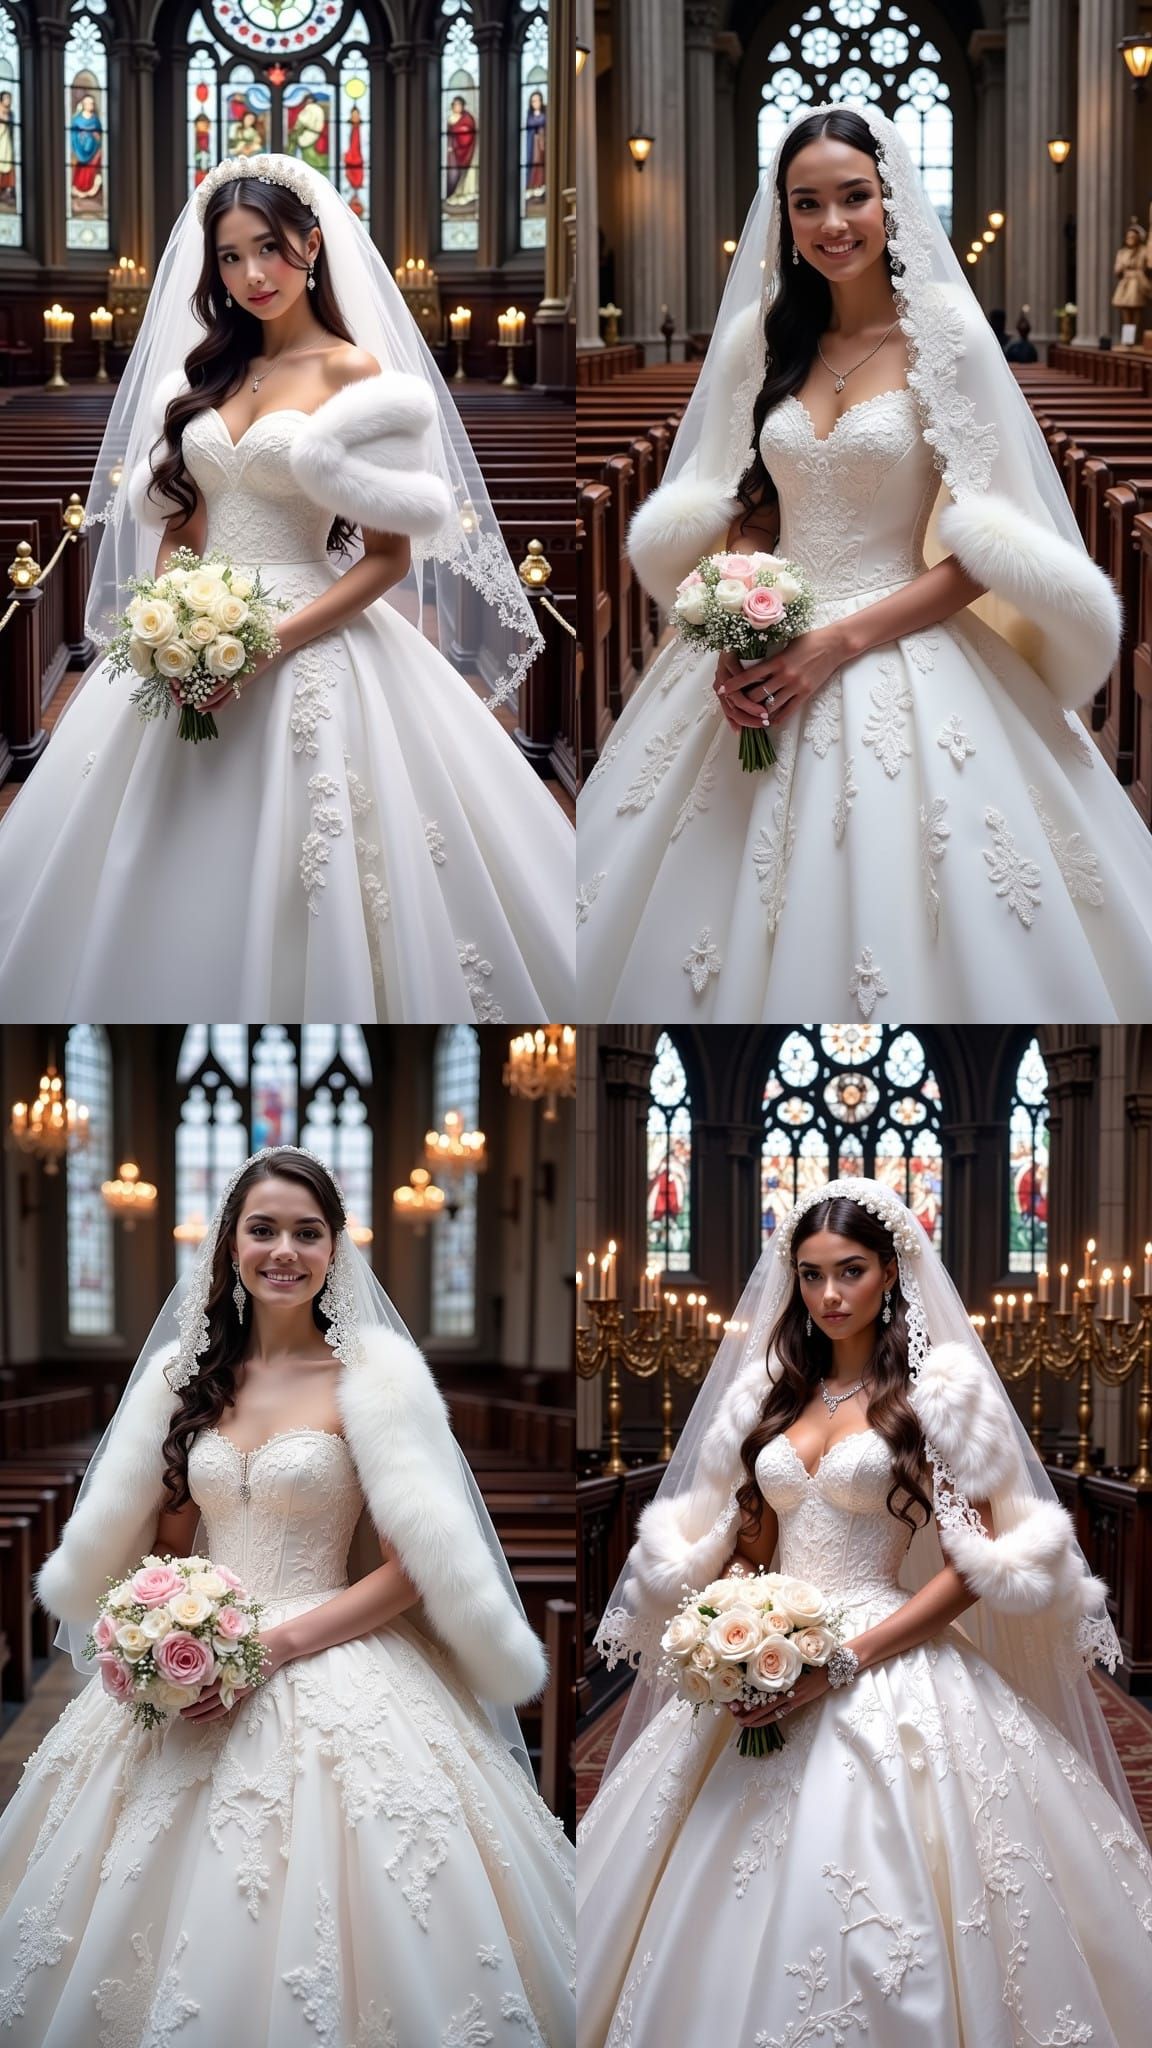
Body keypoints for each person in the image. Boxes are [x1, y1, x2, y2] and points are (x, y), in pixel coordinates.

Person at [575, 105, 1152, 1023]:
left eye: (855, 197)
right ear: (785, 218)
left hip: (898, 634)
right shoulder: (760, 343)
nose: (833, 223)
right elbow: (752, 506)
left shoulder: (947, 340)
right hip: (766, 630)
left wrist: (833, 644)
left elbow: (980, 547)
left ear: (893, 203)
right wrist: (736, 614)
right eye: (808, 204)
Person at [0, 1146, 575, 2047]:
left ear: (336, 1249)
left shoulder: (372, 1380)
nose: (285, 1251)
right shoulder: (190, 1385)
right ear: (231, 1244)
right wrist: (162, 1623)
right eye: (263, 1229)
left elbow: (411, 1568)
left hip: (334, 1651)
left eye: (308, 1233)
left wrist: (278, 1646)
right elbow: (171, 1544)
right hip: (197, 1655)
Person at [578, 1178, 1152, 2046]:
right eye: (810, 1276)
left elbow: (971, 1569)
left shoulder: (937, 1394)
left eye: (850, 1271)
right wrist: (734, 1626)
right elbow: (752, 1539)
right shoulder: (771, 1396)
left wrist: (837, 1663)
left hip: (888, 1655)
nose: (830, 1295)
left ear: (891, 1272)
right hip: (769, 1649)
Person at [0, 153, 572, 1022]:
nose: (252, 275)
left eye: (268, 248)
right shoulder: (200, 376)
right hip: (186, 639)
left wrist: (266, 641)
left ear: (312, 243)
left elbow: (386, 559)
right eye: (229, 257)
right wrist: (163, 624)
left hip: (313, 636)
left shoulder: (355, 373)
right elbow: (183, 526)